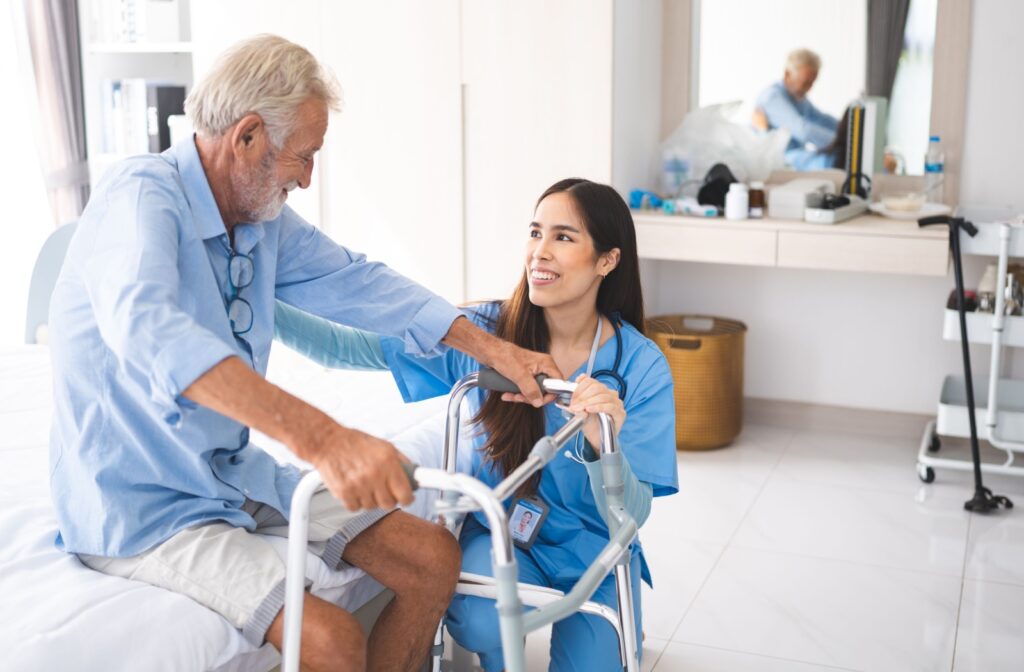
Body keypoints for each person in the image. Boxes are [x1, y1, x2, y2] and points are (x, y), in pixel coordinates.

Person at [48, 35, 561, 672]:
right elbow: (152, 334)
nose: (308, 177)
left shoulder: (257, 221)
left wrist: (496, 348)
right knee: (332, 639)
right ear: (248, 137)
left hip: (226, 473)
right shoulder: (140, 197)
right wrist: (325, 441)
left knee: (433, 560)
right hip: (143, 505)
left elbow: (357, 281)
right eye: (305, 156)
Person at [275, 178, 679, 671]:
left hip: (593, 548)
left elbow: (633, 514)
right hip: (503, 534)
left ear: (607, 261)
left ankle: (610, 625)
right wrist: (254, 303)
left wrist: (601, 442)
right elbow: (339, 347)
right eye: (535, 233)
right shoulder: (487, 336)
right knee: (482, 622)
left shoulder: (640, 366)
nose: (539, 252)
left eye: (563, 237)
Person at [753, 48, 839, 170]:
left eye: (812, 83)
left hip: (795, 154)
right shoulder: (772, 98)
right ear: (787, 74)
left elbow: (821, 118)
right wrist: (840, 142)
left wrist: (846, 128)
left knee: (829, 157)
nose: (809, 88)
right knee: (827, 160)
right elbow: (803, 130)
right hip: (779, 158)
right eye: (805, 83)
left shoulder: (798, 96)